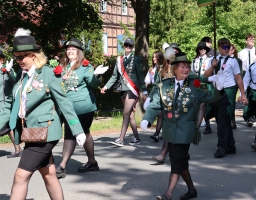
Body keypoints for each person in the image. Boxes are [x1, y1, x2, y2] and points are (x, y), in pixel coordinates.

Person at [0, 28, 86, 199]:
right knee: (49, 174)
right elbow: (10, 103)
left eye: (21, 57)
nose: (18, 61)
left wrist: (77, 129)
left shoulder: (48, 73)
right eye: (16, 57)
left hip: (45, 133)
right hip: (30, 133)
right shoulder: (20, 75)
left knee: (20, 176)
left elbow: (64, 102)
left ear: (33, 55)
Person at [140, 52, 223, 200]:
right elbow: (156, 104)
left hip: (186, 132)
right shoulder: (165, 85)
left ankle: (168, 193)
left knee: (176, 161)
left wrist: (219, 87)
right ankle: (192, 190)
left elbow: (210, 97)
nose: (186, 69)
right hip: (170, 132)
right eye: (182, 67)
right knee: (180, 162)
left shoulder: (195, 85)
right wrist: (147, 119)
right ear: (175, 69)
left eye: (187, 67)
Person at [56, 38, 107, 179]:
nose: (70, 51)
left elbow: (92, 82)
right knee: (85, 133)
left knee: (71, 134)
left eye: (73, 49)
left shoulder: (85, 66)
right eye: (68, 49)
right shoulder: (63, 67)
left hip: (83, 108)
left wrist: (96, 74)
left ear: (79, 52)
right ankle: (92, 162)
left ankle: (62, 166)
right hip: (68, 108)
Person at [204, 38, 248, 158]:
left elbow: (238, 78)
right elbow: (206, 76)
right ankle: (231, 146)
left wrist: (242, 94)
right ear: (219, 47)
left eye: (228, 47)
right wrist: (212, 66)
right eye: (224, 47)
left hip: (229, 90)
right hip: (217, 91)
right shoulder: (213, 60)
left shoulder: (233, 61)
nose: (227, 49)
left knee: (223, 119)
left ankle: (221, 147)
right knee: (220, 119)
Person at [101, 38, 148, 147]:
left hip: (132, 89)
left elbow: (141, 76)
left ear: (133, 47)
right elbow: (114, 76)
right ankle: (136, 138)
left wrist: (144, 91)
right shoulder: (119, 60)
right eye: (126, 45)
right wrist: (106, 86)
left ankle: (121, 139)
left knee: (126, 112)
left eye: (130, 45)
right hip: (122, 88)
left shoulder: (136, 59)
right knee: (130, 115)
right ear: (124, 46)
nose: (128, 47)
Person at [144, 51, 171, 142]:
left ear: (160, 58)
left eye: (155, 57)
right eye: (153, 57)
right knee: (160, 114)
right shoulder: (152, 69)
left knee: (163, 114)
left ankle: (163, 133)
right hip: (155, 91)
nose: (153, 59)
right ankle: (157, 133)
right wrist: (146, 95)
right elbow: (147, 82)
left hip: (164, 92)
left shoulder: (165, 68)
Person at [0, 50, 23, 158]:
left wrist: (9, 71)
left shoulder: (6, 70)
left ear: (1, 59)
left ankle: (18, 149)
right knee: (8, 129)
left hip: (4, 103)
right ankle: (18, 149)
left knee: (8, 128)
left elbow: (15, 81)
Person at [190, 41, 212, 134]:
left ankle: (206, 125)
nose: (202, 50)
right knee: (200, 106)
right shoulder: (195, 60)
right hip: (197, 84)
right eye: (200, 48)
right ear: (198, 50)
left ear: (206, 50)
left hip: (206, 84)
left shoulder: (210, 59)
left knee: (206, 106)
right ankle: (199, 126)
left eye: (204, 48)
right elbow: (191, 72)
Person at [238, 34, 256, 127]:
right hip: (245, 73)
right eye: (250, 39)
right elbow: (240, 67)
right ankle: (248, 116)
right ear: (246, 41)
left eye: (253, 39)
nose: (252, 41)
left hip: (255, 74)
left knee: (253, 94)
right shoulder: (241, 53)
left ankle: (253, 115)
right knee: (246, 94)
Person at [228, 44, 243, 129]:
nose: (227, 51)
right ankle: (230, 120)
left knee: (231, 102)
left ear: (233, 50)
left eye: (229, 49)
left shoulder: (237, 60)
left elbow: (239, 73)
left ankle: (232, 121)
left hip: (234, 83)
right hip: (225, 83)